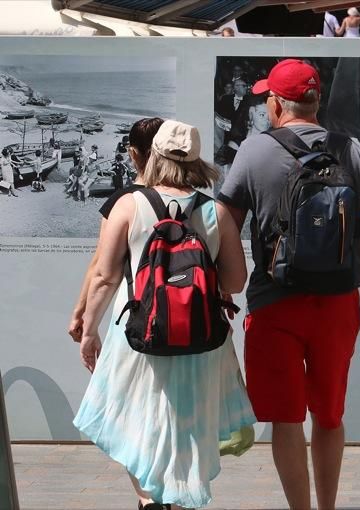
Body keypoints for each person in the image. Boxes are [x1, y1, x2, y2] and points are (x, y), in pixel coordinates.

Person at [218, 59, 360, 510]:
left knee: (286, 420)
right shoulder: (352, 151)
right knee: (329, 415)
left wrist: (226, 283)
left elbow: (226, 219)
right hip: (338, 303)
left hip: (274, 303)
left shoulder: (253, 152)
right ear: (316, 101)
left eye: (267, 99)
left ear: (277, 104)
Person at [72, 119, 256, 509]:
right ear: (196, 161)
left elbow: (104, 277)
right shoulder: (216, 212)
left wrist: (89, 330)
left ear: (152, 154)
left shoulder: (129, 204)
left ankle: (149, 500)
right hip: (199, 339)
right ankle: (177, 496)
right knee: (184, 430)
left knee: (136, 424)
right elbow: (236, 282)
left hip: (139, 335)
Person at [68, 118, 164, 343]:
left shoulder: (122, 201)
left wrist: (80, 314)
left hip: (137, 313)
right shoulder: (193, 201)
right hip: (189, 314)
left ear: (132, 153)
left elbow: (101, 268)